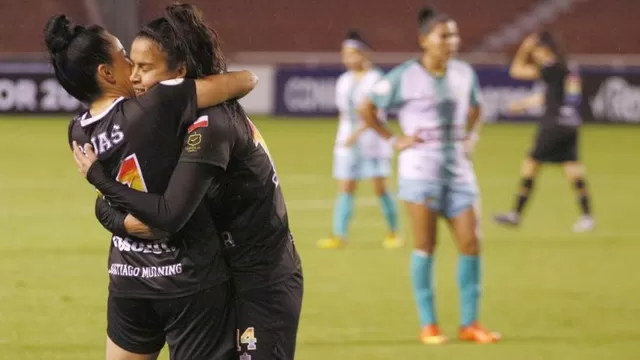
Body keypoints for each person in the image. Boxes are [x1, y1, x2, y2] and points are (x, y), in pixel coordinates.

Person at [71, 4, 303, 360]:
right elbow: (128, 200)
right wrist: (115, 211)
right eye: (131, 65)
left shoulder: (209, 124)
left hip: (260, 276)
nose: (133, 77)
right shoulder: (165, 122)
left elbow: (167, 214)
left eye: (145, 68)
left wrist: (102, 183)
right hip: (220, 269)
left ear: (180, 72)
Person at [356, 6, 500, 344]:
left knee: (471, 243)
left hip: (460, 174)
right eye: (443, 35)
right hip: (420, 174)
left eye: (454, 35)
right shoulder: (404, 75)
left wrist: (473, 136)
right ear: (424, 40)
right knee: (425, 246)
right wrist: (395, 139)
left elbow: (477, 107)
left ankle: (470, 324)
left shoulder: (464, 74)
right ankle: (429, 325)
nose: (451, 41)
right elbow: (366, 107)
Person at [494, 31, 594, 232]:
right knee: (572, 169)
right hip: (571, 124)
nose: (535, 55)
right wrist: (523, 104)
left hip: (553, 125)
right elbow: (550, 97)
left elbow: (517, 71)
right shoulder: (568, 67)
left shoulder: (550, 67)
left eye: (537, 51)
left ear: (545, 49)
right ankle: (587, 217)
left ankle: (516, 214)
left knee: (531, 165)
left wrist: (524, 48)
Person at [317, 29, 400, 250]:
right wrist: (346, 136)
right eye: (344, 53)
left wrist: (356, 134)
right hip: (347, 143)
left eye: (352, 53)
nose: (347, 58)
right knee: (346, 187)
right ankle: (339, 235)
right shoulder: (343, 80)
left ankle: (394, 233)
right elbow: (343, 113)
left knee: (381, 187)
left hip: (373, 142)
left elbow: (375, 114)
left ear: (364, 55)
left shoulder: (377, 80)